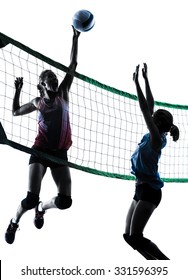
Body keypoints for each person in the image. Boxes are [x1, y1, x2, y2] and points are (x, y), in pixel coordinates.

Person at [5, 26, 80, 244]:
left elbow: (73, 65)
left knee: (65, 201)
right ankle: (14, 221)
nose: (54, 79)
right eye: (50, 78)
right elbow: (15, 112)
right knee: (29, 198)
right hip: (40, 151)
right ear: (42, 84)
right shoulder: (38, 102)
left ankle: (42, 208)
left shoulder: (64, 93)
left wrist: (75, 38)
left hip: (60, 154)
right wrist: (18, 90)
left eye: (55, 77)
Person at [123, 63, 179, 259]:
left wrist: (136, 83)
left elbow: (145, 109)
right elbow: (150, 104)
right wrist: (146, 79)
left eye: (155, 117)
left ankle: (167, 265)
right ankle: (156, 264)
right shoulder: (153, 134)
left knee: (136, 236)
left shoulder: (156, 138)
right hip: (140, 188)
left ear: (159, 123)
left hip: (150, 191)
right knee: (129, 237)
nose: (152, 115)